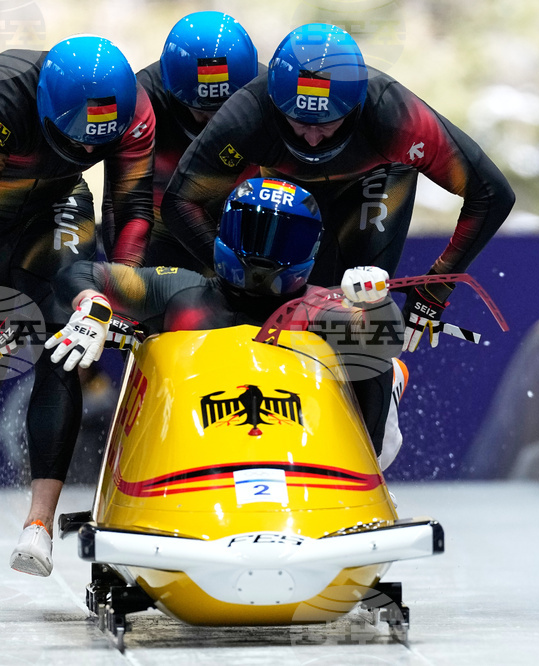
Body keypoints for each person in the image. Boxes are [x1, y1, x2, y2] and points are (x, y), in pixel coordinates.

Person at [0, 35, 155, 576]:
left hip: (57, 206)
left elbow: (132, 208)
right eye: (75, 142)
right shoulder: (0, 94)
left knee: (65, 348)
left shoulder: (133, 111)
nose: (86, 154)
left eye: (96, 147)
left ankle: (37, 526)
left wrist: (113, 297)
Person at [161, 23, 515, 352]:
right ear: (274, 105)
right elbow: (179, 201)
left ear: (357, 107)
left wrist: (434, 288)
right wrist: (234, 276)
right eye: (299, 121)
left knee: (358, 314)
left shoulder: (395, 116)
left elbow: (491, 194)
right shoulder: (247, 115)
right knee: (273, 308)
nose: (312, 139)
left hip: (375, 182)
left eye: (327, 123)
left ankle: (377, 385)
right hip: (289, 191)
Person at [48, 178, 407, 475]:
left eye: (283, 241)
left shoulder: (321, 308)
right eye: (254, 234)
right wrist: (93, 306)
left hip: (300, 451)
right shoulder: (179, 290)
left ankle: (371, 461)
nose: (264, 255)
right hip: (194, 449)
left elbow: (385, 341)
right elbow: (81, 274)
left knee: (380, 362)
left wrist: (377, 304)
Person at [102, 11, 262, 268]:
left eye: (226, 109)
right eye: (201, 111)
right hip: (162, 231)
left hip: (242, 224)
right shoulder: (139, 102)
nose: (214, 122)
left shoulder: (267, 96)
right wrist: (122, 276)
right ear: (172, 94)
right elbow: (124, 205)